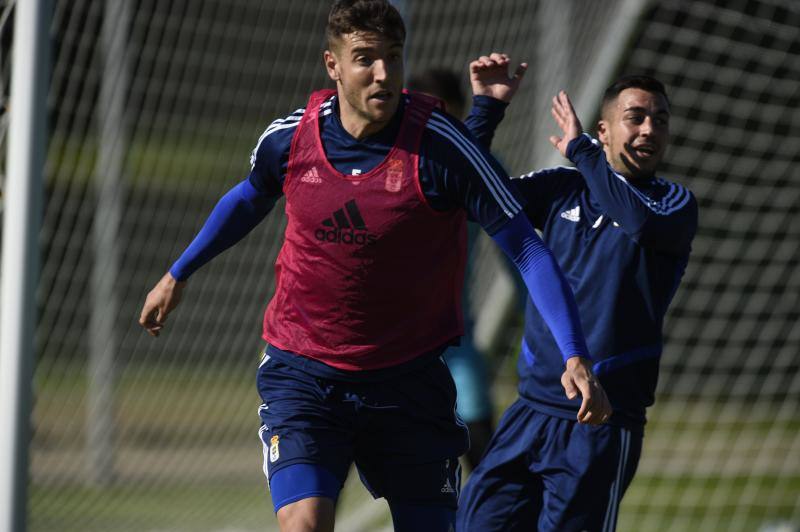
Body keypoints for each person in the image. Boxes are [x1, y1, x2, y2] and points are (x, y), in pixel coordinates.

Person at [138, 2, 610, 530]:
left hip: (408, 380)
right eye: (365, 58)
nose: (383, 72)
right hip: (305, 370)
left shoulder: (442, 148)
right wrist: (177, 272)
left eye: (393, 57)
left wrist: (574, 353)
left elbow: (526, 246)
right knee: (303, 523)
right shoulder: (291, 138)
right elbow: (249, 199)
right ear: (332, 65)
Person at [456, 76, 698, 531]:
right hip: (529, 410)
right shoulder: (560, 188)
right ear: (604, 130)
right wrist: (486, 111)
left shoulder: (673, 204)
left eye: (660, 120)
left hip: (601, 422)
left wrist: (584, 154)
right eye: (635, 117)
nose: (649, 129)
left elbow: (637, 222)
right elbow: (474, 194)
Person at [406, 67, 494, 469]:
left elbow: (522, 257)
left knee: (482, 454)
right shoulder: (391, 164)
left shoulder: (481, 170)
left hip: (455, 341)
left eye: (446, 114)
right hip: (389, 346)